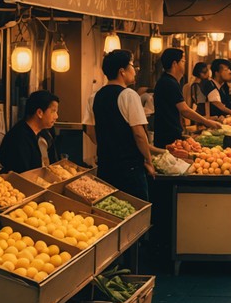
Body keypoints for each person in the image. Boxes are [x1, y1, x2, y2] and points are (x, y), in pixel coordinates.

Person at [83, 50, 153, 200]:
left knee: (110, 212)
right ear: (122, 71)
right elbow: (139, 134)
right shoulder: (129, 95)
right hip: (130, 169)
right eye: (132, 66)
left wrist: (108, 143)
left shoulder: (94, 97)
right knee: (135, 212)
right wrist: (148, 160)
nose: (135, 70)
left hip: (105, 167)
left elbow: (89, 130)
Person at [153, 48, 222, 148]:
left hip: (169, 134)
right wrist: (207, 122)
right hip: (167, 137)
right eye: (183, 61)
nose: (184, 64)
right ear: (174, 64)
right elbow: (184, 110)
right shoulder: (169, 83)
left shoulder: (169, 81)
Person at [0, 91, 60, 173]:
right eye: (53, 111)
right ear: (39, 113)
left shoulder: (45, 133)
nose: (56, 116)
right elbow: (22, 176)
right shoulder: (19, 137)